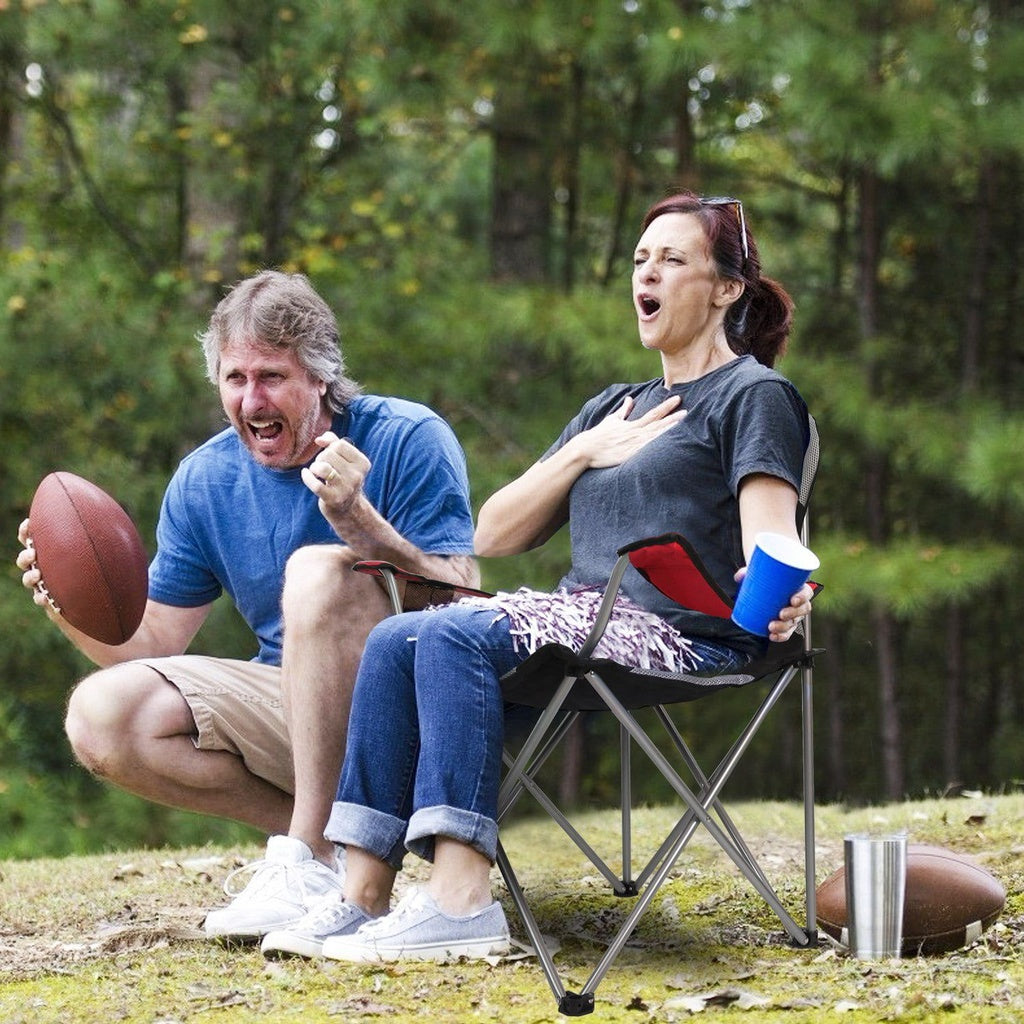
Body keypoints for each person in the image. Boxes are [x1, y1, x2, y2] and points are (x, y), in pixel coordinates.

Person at [258, 191, 816, 963]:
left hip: (686, 633)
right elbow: (495, 530)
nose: (645, 275)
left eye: (672, 259)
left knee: (452, 630)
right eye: (638, 260)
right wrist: (585, 451)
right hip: (582, 618)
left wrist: (779, 596)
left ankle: (459, 903)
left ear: (726, 288)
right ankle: (360, 897)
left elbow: (772, 537)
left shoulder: (754, 395)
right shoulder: (612, 407)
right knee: (396, 637)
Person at [15, 270, 478, 939]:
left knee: (317, 570)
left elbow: (461, 602)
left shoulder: (409, 438)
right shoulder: (205, 479)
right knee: (102, 714)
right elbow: (150, 644)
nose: (251, 398)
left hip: (416, 716)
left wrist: (358, 523)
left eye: (272, 377)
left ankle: (311, 851)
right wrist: (65, 601)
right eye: (235, 379)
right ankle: (326, 848)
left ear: (320, 378)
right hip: (296, 712)